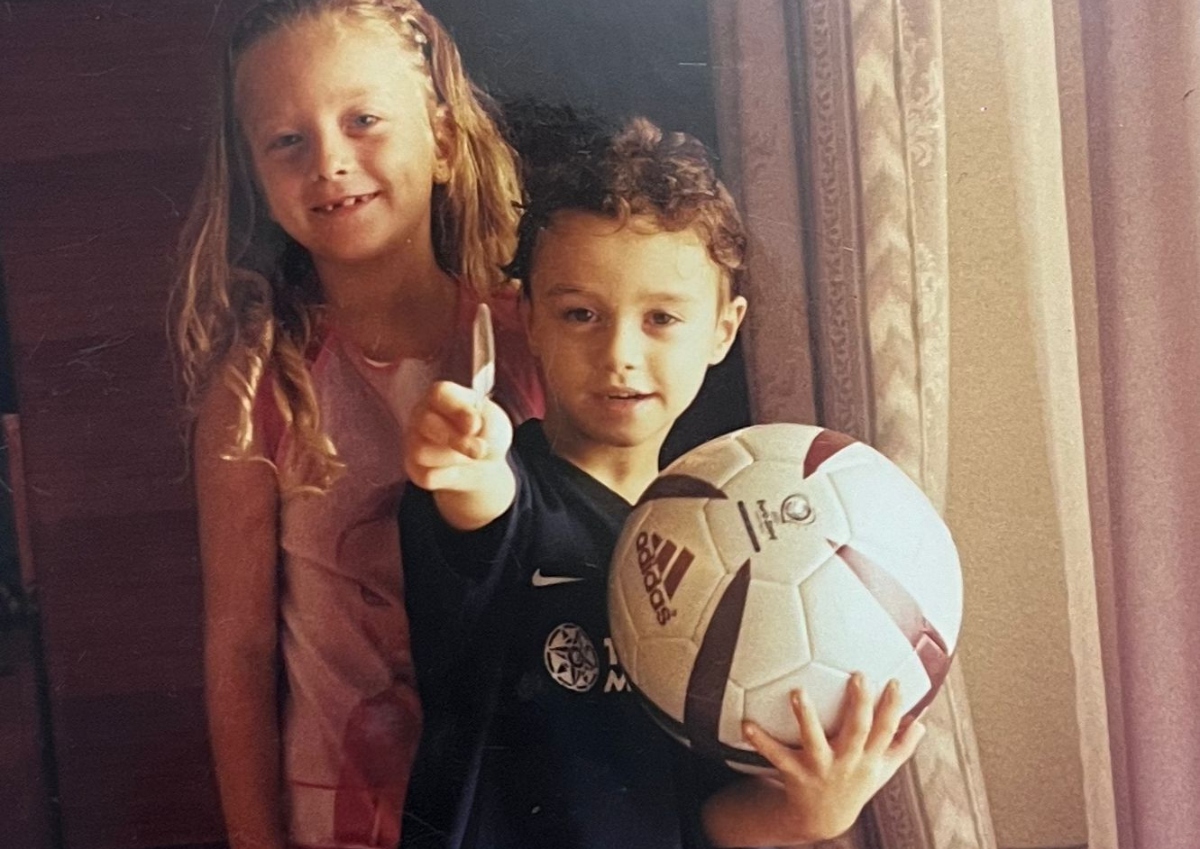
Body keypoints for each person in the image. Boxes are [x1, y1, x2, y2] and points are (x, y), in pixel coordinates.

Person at [398, 117, 926, 849]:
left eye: (661, 318)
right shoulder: (514, 499)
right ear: (528, 319)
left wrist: (809, 813)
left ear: (723, 328)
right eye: (580, 313)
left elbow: (696, 822)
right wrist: (465, 455)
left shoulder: (740, 548)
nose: (619, 353)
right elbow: (478, 506)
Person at [171, 2, 543, 847]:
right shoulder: (259, 387)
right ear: (258, 178)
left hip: (526, 803)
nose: (331, 162)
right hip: (345, 823)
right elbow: (237, 654)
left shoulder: (538, 342)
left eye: (363, 119)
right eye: (287, 141)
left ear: (444, 142)